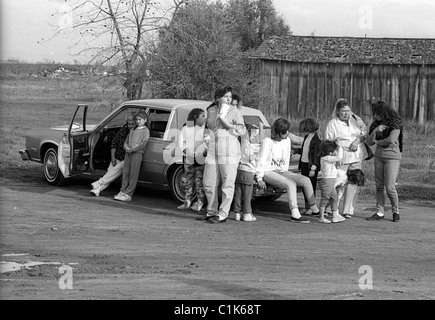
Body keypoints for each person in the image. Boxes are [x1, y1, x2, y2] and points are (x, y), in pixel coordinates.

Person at [256, 118, 320, 223]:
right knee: (290, 185)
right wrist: (259, 177)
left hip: (282, 171)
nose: (287, 133)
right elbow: (261, 159)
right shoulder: (267, 142)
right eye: (284, 131)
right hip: (268, 172)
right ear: (278, 131)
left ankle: (314, 209)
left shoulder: (287, 140)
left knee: (305, 180)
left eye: (287, 130)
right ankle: (295, 214)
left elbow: (286, 159)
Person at [198, 85, 246, 224]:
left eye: (230, 97)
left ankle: (223, 214)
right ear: (218, 98)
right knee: (209, 182)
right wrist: (206, 139)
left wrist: (227, 123)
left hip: (229, 151)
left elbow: (242, 130)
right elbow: (207, 127)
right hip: (213, 150)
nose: (229, 99)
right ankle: (211, 211)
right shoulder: (211, 110)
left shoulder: (234, 111)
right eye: (226, 96)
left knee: (227, 183)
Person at [324, 98, 368, 218]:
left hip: (356, 155)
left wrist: (357, 141)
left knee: (353, 181)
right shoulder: (333, 123)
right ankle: (331, 207)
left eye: (348, 111)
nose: (346, 113)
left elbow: (364, 132)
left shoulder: (355, 120)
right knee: (339, 182)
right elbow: (328, 141)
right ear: (338, 111)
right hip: (341, 156)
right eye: (344, 111)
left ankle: (348, 209)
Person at [366, 100, 403, 222]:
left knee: (390, 187)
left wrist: (377, 142)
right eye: (374, 114)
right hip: (379, 157)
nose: (375, 116)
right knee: (379, 186)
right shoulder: (375, 124)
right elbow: (369, 142)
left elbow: (390, 140)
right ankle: (380, 212)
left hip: (392, 157)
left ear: (383, 112)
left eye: (376, 113)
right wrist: (376, 131)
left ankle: (395, 211)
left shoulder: (395, 123)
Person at [90, 113, 136, 196]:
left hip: (127, 159)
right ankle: (98, 189)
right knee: (110, 173)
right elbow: (114, 143)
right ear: (127, 123)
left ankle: (99, 183)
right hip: (117, 157)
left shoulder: (136, 133)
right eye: (129, 124)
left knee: (113, 172)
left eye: (133, 124)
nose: (131, 126)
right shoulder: (123, 130)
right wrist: (113, 157)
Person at [114, 110, 150, 202]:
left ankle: (129, 193)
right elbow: (126, 141)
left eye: (140, 120)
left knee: (133, 174)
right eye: (137, 120)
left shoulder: (145, 131)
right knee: (126, 172)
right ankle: (123, 190)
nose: (138, 121)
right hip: (128, 153)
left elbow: (143, 143)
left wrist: (132, 149)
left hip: (137, 154)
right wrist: (126, 147)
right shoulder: (133, 129)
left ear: (145, 120)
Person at [177, 108, 207, 212]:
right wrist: (187, 152)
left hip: (200, 158)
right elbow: (181, 142)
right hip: (189, 157)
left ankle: (199, 202)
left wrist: (203, 152)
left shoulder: (205, 129)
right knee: (188, 180)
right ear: (195, 117)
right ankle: (187, 201)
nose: (205, 118)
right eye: (202, 116)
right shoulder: (186, 128)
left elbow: (208, 142)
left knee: (199, 181)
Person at [317, 140, 346, 224]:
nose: (336, 152)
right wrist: (340, 147)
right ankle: (321, 217)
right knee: (325, 199)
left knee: (334, 198)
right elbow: (339, 157)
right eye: (334, 150)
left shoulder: (326, 158)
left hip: (330, 181)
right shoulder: (327, 158)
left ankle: (335, 216)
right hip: (327, 181)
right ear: (330, 152)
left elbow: (337, 159)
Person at [232, 123, 257, 222]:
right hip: (248, 171)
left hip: (239, 170)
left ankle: (237, 213)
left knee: (238, 193)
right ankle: (247, 213)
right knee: (247, 195)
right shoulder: (249, 146)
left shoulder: (238, 144)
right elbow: (251, 158)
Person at [297, 118, 322, 215]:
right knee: (304, 186)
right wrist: (295, 151)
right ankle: (307, 206)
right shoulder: (306, 138)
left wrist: (314, 168)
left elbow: (316, 155)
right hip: (304, 164)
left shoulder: (316, 140)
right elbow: (304, 150)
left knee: (311, 187)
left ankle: (312, 206)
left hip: (311, 166)